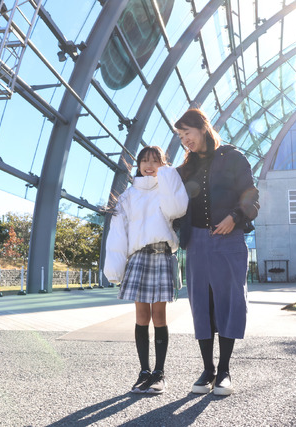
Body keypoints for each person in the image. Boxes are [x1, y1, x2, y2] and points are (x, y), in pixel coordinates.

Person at [174, 108, 259, 396]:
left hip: (229, 239)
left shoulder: (233, 157)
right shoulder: (185, 168)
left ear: (202, 127)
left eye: (187, 132)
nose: (185, 140)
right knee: (201, 303)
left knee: (229, 301)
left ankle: (224, 370)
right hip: (197, 241)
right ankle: (207, 369)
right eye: (180, 135)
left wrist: (235, 217)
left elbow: (251, 195)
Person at [104, 145, 188, 394]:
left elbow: (178, 210)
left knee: (159, 317)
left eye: (155, 161)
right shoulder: (128, 195)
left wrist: (167, 177)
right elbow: (118, 233)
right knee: (141, 317)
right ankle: (144, 372)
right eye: (145, 161)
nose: (149, 165)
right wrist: (114, 270)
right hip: (139, 258)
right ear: (138, 164)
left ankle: (160, 373)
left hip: (162, 255)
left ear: (163, 164)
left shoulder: (166, 189)